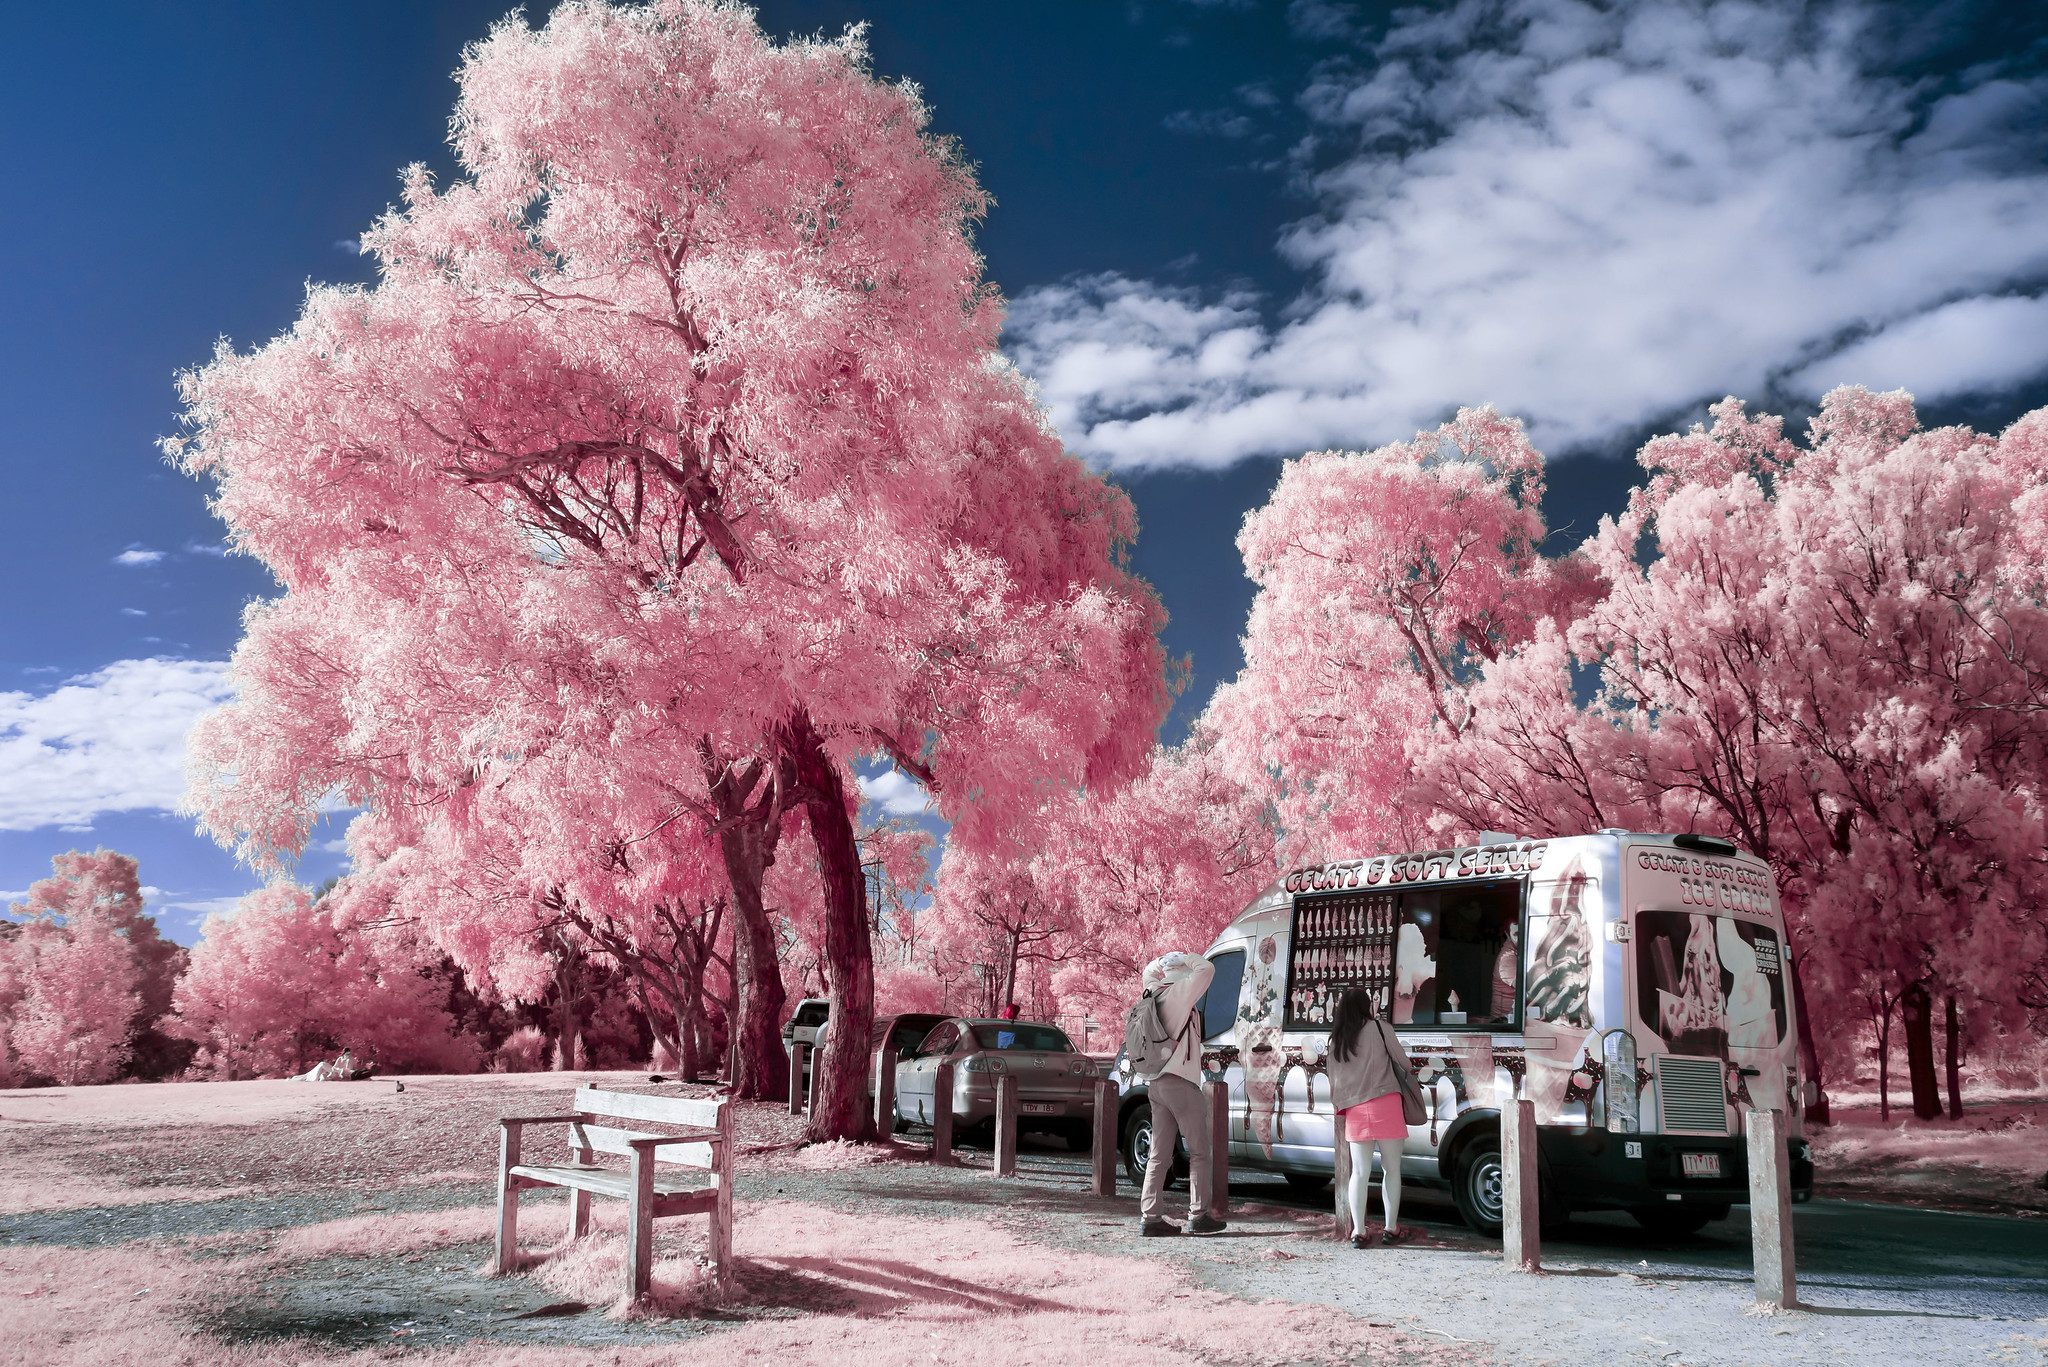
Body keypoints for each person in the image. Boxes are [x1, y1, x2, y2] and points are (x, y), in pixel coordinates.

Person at [1135, 950, 1226, 1238]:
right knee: (1200, 1151)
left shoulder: (1153, 990)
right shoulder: (1181, 992)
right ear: (1183, 972)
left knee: (1159, 1155)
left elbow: (1147, 971)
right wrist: (1187, 957)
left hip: (1156, 1083)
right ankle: (1198, 1216)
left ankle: (1150, 1217)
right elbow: (1207, 969)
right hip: (1181, 1082)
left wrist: (1160, 961)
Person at [1325, 987, 1420, 1248]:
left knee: (1359, 1172)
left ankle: (1359, 1232)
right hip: (1386, 1103)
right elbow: (1404, 1063)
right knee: (1391, 1170)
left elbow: (1334, 1080)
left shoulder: (1337, 1039)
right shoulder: (1380, 1028)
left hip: (1356, 1110)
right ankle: (1391, 1229)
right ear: (1368, 1007)